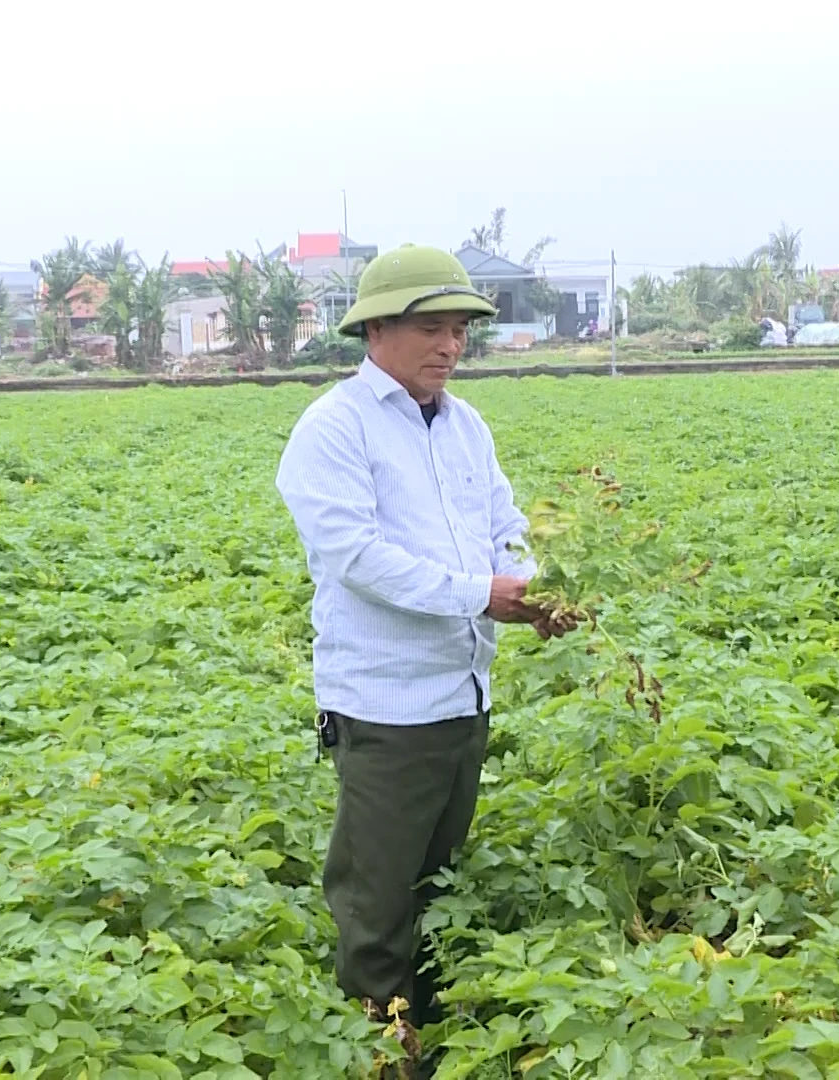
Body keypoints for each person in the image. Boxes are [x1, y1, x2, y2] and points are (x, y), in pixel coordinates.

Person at [275, 244, 572, 1066]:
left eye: (460, 332)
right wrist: (482, 593)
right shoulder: (334, 427)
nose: (450, 347)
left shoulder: (465, 424)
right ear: (377, 330)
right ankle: (384, 1050)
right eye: (432, 329)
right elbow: (357, 557)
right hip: (386, 704)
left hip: (463, 697)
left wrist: (536, 587)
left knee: (438, 884)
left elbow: (503, 526)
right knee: (376, 898)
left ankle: (430, 1033)